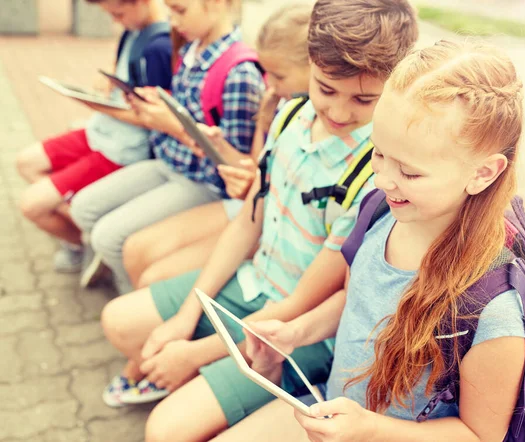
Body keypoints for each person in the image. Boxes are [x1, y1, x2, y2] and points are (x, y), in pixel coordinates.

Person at [100, 2, 418, 441]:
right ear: (309, 63)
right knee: (119, 321)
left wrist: (193, 353)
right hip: (253, 283)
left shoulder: (376, 170)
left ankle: (217, 386)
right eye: (326, 89)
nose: (341, 112)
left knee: (166, 430)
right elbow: (247, 224)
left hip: (299, 330)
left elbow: (307, 300)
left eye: (364, 99)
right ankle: (213, 381)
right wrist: (187, 316)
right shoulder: (289, 116)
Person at [215, 39, 525, 442]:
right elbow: (359, 299)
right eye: (379, 154)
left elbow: (479, 434)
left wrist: (370, 429)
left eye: (410, 173)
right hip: (333, 419)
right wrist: (298, 333)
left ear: (483, 173)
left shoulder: (495, 308)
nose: (382, 180)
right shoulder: (380, 210)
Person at [69, 0, 265, 294]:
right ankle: (130, 289)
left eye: (181, 10)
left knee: (109, 237)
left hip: (202, 182)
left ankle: (135, 298)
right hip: (168, 162)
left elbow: (235, 166)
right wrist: (158, 106)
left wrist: (169, 123)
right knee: (84, 208)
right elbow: (186, 112)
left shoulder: (240, 73)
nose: (172, 20)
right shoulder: (189, 49)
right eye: (170, 10)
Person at [122, 2, 313, 290]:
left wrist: (179, 130)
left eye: (278, 76)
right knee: (136, 251)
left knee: (152, 273)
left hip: (259, 219)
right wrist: (216, 146)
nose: (268, 84)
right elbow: (251, 172)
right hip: (247, 208)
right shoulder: (275, 100)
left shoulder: (247, 77)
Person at [16, 0, 172, 273]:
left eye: (118, 13)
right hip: (101, 131)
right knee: (26, 162)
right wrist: (108, 82)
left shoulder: (160, 46)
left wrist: (97, 105)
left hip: (122, 148)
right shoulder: (134, 29)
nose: (116, 21)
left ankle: (85, 240)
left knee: (33, 205)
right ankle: (84, 228)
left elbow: (156, 119)